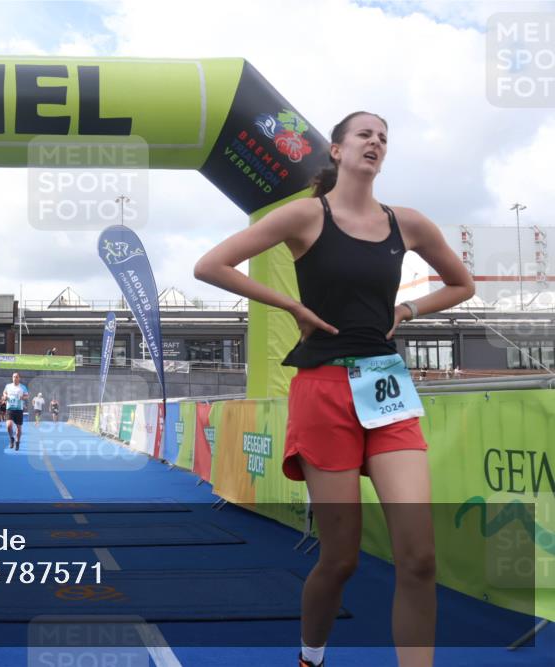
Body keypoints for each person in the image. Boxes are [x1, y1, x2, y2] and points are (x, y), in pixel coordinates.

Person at [193, 111, 474, 667]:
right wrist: (292, 306)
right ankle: (311, 655)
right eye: (365, 134)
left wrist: (408, 309)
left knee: (419, 558)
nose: (376, 142)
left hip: (386, 388)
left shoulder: (408, 223)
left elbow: (461, 284)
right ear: (338, 151)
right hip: (323, 390)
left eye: (384, 138)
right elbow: (210, 266)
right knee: (341, 559)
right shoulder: (305, 215)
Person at [2, 372, 29, 450]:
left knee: (18, 428)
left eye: (17, 377)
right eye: (14, 377)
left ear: (19, 378)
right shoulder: (8, 386)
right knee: (9, 426)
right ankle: (11, 438)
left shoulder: (23, 387)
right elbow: (4, 392)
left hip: (19, 409)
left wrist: (23, 397)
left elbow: (27, 396)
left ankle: (17, 442)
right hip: (10, 408)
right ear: (12, 378)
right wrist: (5, 396)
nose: (15, 378)